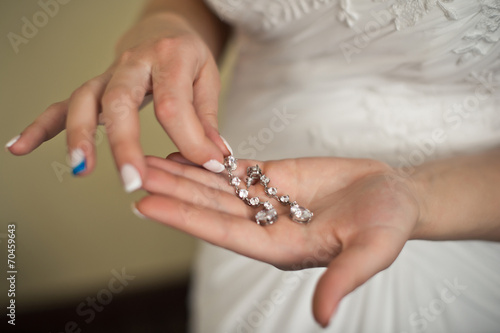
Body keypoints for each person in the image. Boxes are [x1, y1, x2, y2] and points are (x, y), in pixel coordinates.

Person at [5, 0, 500, 332]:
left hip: (467, 202)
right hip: (253, 184)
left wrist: (418, 196)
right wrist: (169, 26)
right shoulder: (260, 200)